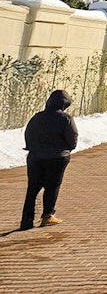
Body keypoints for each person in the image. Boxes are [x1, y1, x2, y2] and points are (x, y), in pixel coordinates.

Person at [21, 89, 78, 230]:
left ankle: (26, 220)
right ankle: (47, 216)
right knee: (52, 187)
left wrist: (34, 148)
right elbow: (72, 140)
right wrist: (65, 150)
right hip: (57, 158)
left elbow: (28, 134)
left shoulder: (37, 117)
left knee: (33, 187)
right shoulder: (66, 119)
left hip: (36, 157)